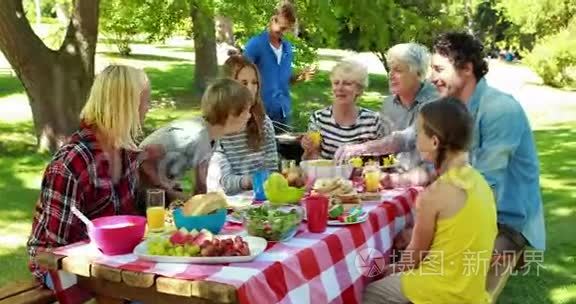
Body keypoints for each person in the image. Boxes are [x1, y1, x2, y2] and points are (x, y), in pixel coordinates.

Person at [339, 32, 546, 253]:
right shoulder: (449, 105)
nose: (431, 79)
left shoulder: (500, 110)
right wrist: (365, 151)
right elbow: (409, 138)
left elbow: (484, 187)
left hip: (505, 222)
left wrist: (428, 231)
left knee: (417, 252)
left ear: (466, 68)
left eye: (438, 70)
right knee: (392, 240)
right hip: (470, 207)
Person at [27, 65, 153, 286]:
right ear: (126, 106)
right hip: (62, 266)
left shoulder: (127, 153)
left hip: (113, 256)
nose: (148, 107)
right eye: (145, 100)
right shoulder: (72, 163)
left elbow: (130, 216)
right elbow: (57, 249)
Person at [363, 98, 497, 304]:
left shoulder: (434, 194)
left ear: (434, 142)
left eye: (419, 134)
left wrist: (388, 271)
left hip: (442, 291)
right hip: (471, 291)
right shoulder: (481, 183)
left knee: (371, 292)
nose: (417, 141)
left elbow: (413, 257)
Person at [139, 79, 253, 201]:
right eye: (247, 110)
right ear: (232, 113)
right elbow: (142, 158)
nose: (249, 116)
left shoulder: (213, 136)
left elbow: (200, 183)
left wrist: (202, 201)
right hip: (145, 196)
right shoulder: (193, 137)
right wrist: (164, 189)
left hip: (164, 193)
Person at [334, 43, 438, 171]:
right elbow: (387, 156)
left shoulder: (434, 102)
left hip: (426, 181)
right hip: (393, 180)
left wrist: (361, 148)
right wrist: (358, 163)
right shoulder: (389, 104)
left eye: (398, 70)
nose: (391, 75)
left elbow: (406, 139)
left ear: (418, 73)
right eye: (390, 69)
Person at [207, 56, 279, 195]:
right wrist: (251, 181)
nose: (250, 89)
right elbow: (224, 182)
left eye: (254, 83)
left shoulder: (263, 122)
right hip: (229, 205)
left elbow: (272, 169)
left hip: (263, 201)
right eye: (244, 83)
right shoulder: (216, 128)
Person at [301, 60, 386, 160]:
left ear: (359, 89)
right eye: (336, 83)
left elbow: (384, 161)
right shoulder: (318, 118)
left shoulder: (373, 122)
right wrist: (308, 149)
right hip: (326, 175)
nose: (340, 88)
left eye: (347, 83)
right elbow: (310, 161)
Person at [243, 2, 303, 128]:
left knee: (284, 147)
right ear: (272, 20)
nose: (284, 32)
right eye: (281, 28)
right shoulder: (255, 45)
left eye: (287, 29)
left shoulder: (287, 48)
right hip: (259, 113)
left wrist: (297, 78)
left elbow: (282, 80)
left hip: (283, 113)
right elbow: (241, 79)